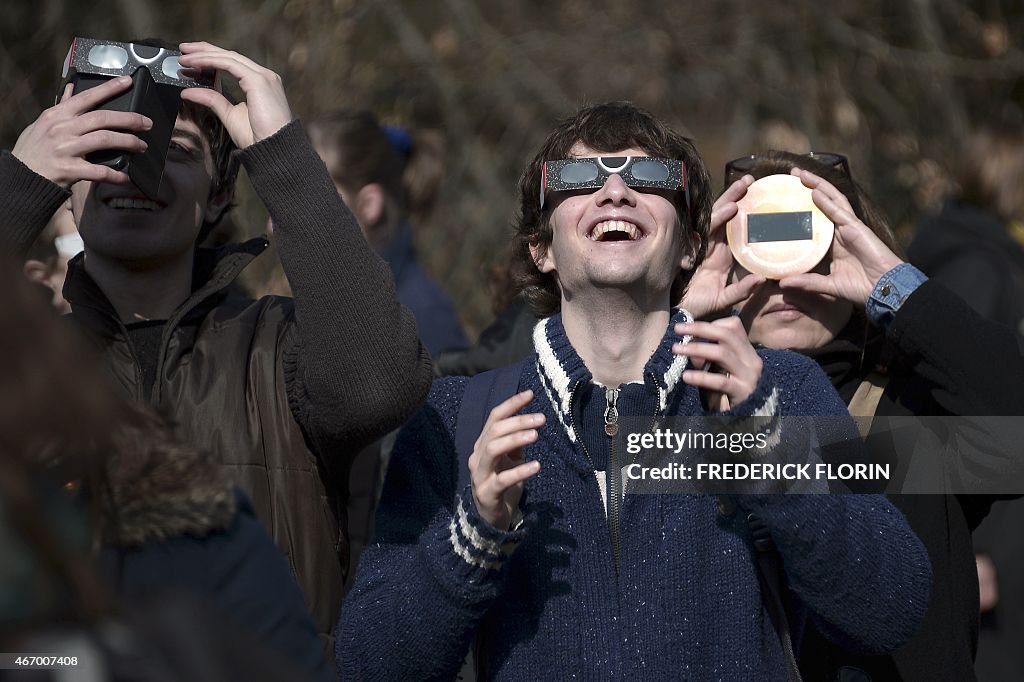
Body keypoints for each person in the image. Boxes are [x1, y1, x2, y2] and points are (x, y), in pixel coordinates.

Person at [337, 102, 931, 680]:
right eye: (577, 178)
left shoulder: (781, 389)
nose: (616, 191)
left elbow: (891, 613)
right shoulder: (453, 418)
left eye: (649, 177)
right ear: (539, 249)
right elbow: (370, 663)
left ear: (691, 248)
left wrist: (775, 462)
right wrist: (473, 535)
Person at [0, 39, 433, 660]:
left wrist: (284, 156)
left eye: (173, 152)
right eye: (105, 144)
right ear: (66, 178)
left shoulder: (280, 349)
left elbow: (377, 385)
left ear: (223, 194)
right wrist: (17, 188)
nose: (132, 169)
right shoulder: (27, 365)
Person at [715, 151, 1024, 680]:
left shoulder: (914, 410)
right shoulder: (678, 408)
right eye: (754, 251)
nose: (784, 279)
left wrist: (893, 287)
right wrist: (679, 323)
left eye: (813, 248)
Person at [308, 110, 469, 356]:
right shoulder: (326, 305)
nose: (274, 226)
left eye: (309, 197)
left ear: (368, 205)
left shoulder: (424, 323)